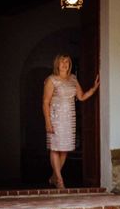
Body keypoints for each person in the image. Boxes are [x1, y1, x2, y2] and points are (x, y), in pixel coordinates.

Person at [42, 54, 99, 189]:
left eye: (67, 62)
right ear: (57, 64)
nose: (64, 64)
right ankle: (60, 181)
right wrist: (47, 122)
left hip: (69, 119)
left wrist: (93, 89)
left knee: (65, 149)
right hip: (55, 118)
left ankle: (54, 177)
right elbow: (45, 102)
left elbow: (81, 96)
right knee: (55, 148)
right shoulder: (51, 80)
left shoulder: (73, 79)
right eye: (62, 62)